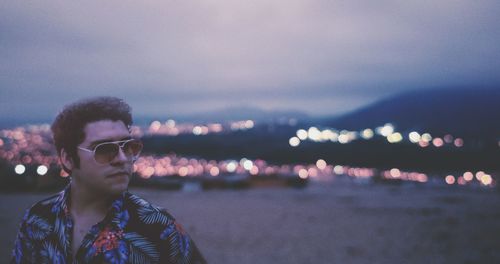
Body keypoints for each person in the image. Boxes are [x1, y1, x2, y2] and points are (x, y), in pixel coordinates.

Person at [11, 97, 206, 263]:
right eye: (104, 149)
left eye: (128, 146)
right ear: (68, 159)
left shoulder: (158, 227)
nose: (122, 159)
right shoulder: (38, 219)